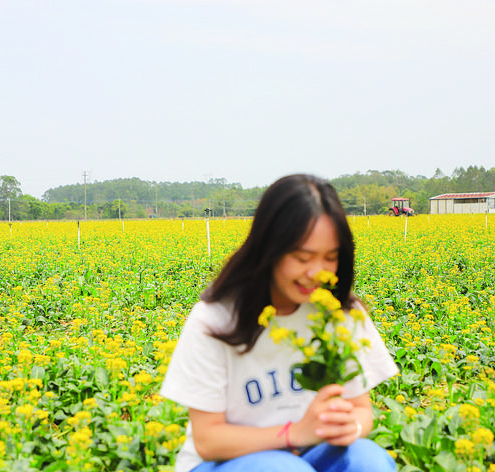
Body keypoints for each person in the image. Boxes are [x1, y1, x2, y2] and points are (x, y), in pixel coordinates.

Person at [160, 174, 399, 472]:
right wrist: (295, 433)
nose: (316, 272)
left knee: (368, 461)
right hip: (224, 463)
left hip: (312, 455)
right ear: (268, 249)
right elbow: (208, 440)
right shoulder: (216, 319)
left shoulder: (339, 313)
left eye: (330, 258)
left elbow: (361, 410)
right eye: (302, 257)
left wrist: (348, 428)